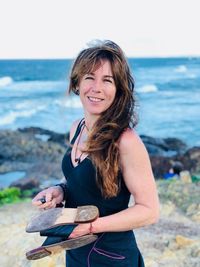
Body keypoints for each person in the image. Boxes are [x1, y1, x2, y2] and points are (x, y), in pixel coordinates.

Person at [32, 40, 160, 266]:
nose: (97, 87)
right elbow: (83, 176)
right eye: (89, 77)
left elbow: (149, 211)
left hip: (112, 256)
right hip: (75, 248)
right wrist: (60, 189)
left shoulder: (126, 141)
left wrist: (91, 226)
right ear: (77, 84)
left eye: (107, 80)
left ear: (118, 89)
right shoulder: (77, 127)